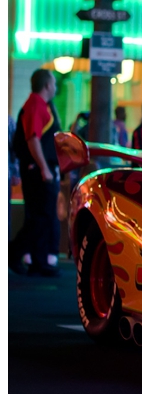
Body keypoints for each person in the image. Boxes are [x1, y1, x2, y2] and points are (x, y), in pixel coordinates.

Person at [9, 69, 61, 277]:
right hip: (37, 171)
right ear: (47, 85)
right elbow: (33, 139)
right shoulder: (35, 105)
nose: (55, 87)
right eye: (54, 83)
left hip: (40, 169)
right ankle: (13, 253)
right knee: (40, 217)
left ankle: (39, 262)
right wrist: (44, 168)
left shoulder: (42, 106)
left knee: (42, 217)